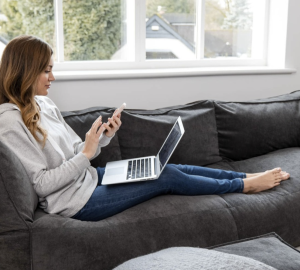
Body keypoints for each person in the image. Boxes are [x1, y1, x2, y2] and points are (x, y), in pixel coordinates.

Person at [0, 35, 290, 222]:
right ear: (25, 70)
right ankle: (244, 186)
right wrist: (87, 154)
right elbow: (41, 185)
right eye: (47, 70)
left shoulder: (43, 105)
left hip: (89, 179)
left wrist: (101, 139)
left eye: (52, 68)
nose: (53, 77)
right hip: (76, 202)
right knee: (167, 176)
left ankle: (243, 174)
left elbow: (78, 152)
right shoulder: (9, 121)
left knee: (159, 165)